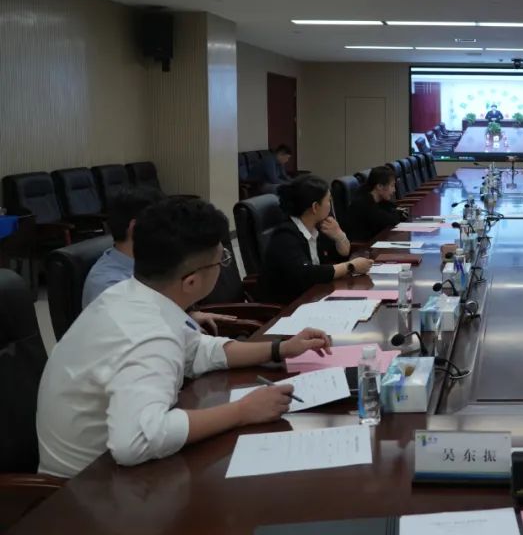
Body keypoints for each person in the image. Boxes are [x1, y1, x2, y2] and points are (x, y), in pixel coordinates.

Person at [36, 197, 335, 478]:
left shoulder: (132, 294)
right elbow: (136, 441)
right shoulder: (147, 332)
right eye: (221, 260)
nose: (223, 266)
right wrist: (243, 411)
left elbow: (198, 350)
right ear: (191, 282)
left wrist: (280, 348)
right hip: (86, 487)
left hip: (111, 468)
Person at [82, 187, 237, 334]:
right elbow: (142, 334)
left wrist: (188, 317)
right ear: (135, 229)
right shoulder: (109, 287)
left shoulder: (156, 263)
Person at [261, 175, 373, 304]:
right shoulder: (285, 236)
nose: (330, 206)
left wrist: (339, 236)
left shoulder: (318, 228)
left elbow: (340, 256)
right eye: (328, 201)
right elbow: (307, 273)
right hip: (289, 306)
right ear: (315, 207)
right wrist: (350, 266)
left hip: (315, 296)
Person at [347, 165, 409, 242]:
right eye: (392, 186)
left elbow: (393, 209)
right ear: (379, 186)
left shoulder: (378, 199)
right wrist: (398, 213)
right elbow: (391, 221)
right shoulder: (364, 203)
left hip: (376, 240)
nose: (394, 190)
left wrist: (398, 212)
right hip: (363, 247)